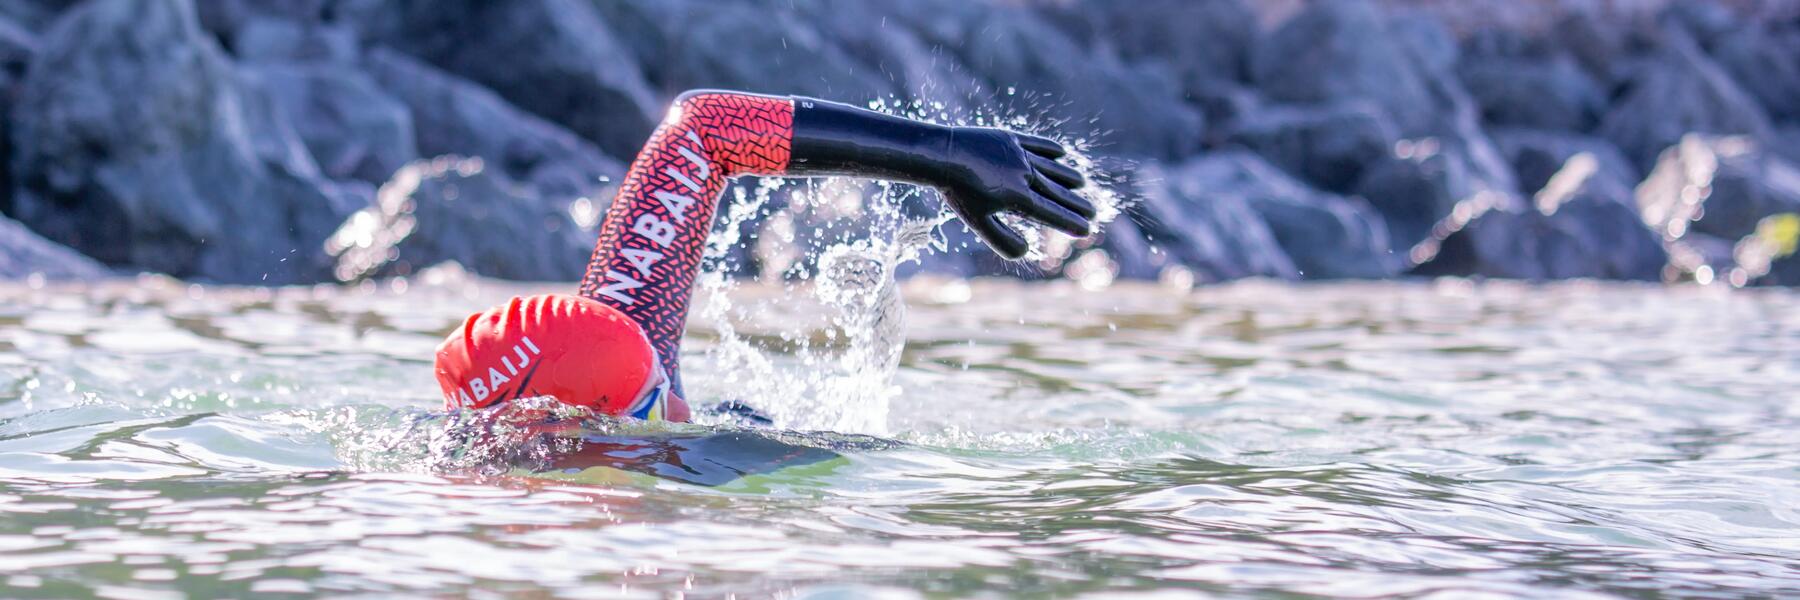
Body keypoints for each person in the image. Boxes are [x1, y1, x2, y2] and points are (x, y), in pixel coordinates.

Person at [432, 90, 1093, 423]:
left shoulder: (616, 333)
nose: (682, 411)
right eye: (652, 407)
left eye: (663, 385)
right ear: (563, 434)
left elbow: (701, 127)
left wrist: (945, 155)